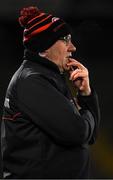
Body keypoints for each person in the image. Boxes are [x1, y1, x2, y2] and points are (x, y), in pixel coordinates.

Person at [1, 6, 100, 179]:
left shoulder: (49, 76)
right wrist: (85, 115)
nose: (73, 47)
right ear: (44, 47)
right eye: (65, 40)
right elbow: (78, 133)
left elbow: (90, 136)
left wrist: (86, 93)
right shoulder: (31, 81)